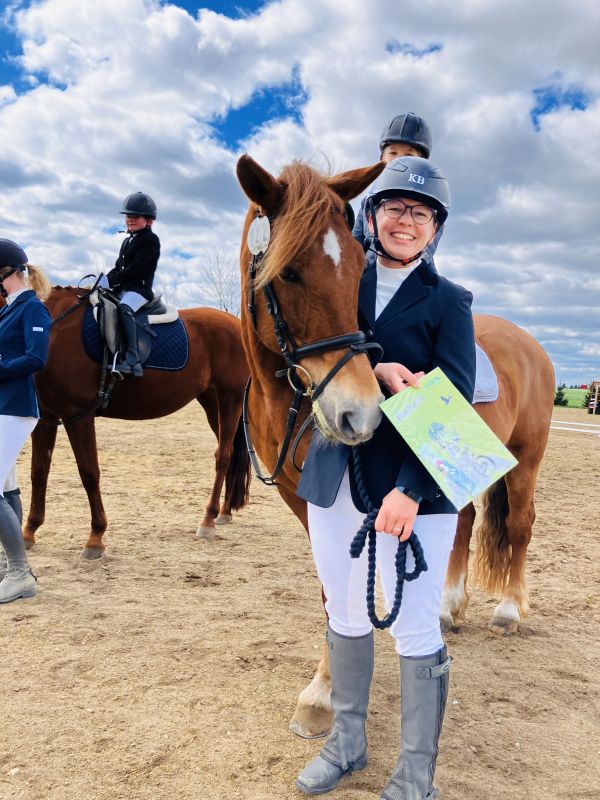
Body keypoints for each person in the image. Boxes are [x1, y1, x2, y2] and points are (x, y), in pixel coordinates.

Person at [295, 157, 476, 799]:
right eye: (395, 207)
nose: (406, 220)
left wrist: (410, 489)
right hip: (335, 477)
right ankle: (346, 743)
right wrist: (377, 367)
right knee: (344, 612)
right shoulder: (341, 274)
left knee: (415, 626)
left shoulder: (450, 302)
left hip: (412, 489)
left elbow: (454, 403)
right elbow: (323, 349)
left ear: (435, 229)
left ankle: (416, 773)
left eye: (420, 213)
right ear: (371, 216)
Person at [0, 239, 51, 604]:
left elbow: (36, 358)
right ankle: (8, 567)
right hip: (3, 404)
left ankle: (20, 574)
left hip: (17, 407)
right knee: (6, 486)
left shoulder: (33, 308)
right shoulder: (9, 310)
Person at [352, 112, 433, 254]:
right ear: (381, 158)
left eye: (409, 155)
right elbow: (355, 241)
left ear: (421, 163)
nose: (399, 160)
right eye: (393, 153)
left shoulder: (432, 203)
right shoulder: (368, 201)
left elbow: (426, 251)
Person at [104, 192, 160, 377]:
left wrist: (111, 281)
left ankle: (132, 360)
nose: (130, 220)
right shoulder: (127, 241)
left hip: (139, 290)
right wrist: (103, 280)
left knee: (124, 308)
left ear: (149, 220)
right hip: (124, 288)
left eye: (135, 216)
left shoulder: (150, 240)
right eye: (128, 216)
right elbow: (118, 267)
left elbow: (136, 269)